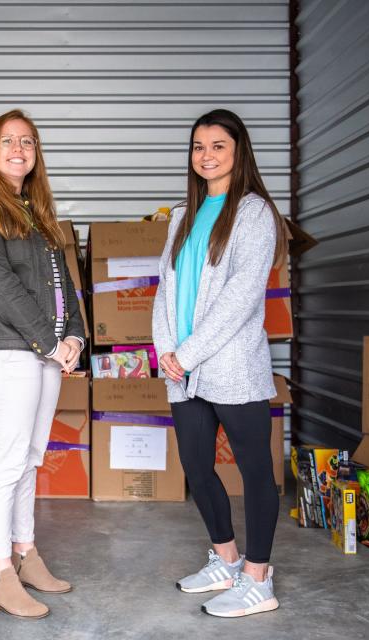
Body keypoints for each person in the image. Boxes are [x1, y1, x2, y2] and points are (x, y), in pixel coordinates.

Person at [152, 108, 290, 618]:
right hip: (184, 369)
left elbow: (240, 297)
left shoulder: (253, 213)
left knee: (255, 469)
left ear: (238, 153)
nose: (206, 156)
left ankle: (258, 577)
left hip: (231, 364)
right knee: (195, 464)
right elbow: (166, 287)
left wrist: (185, 353)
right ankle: (227, 558)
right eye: (198, 147)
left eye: (217, 146)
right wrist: (165, 349)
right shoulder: (183, 217)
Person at [0, 109, 86, 619]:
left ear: (36, 153)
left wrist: (73, 334)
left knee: (29, 457)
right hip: (3, 347)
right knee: (6, 461)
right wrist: (50, 343)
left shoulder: (36, 209)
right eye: (7, 141)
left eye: (27, 142)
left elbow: (63, 283)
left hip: (43, 349)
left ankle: (26, 554)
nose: (18, 149)